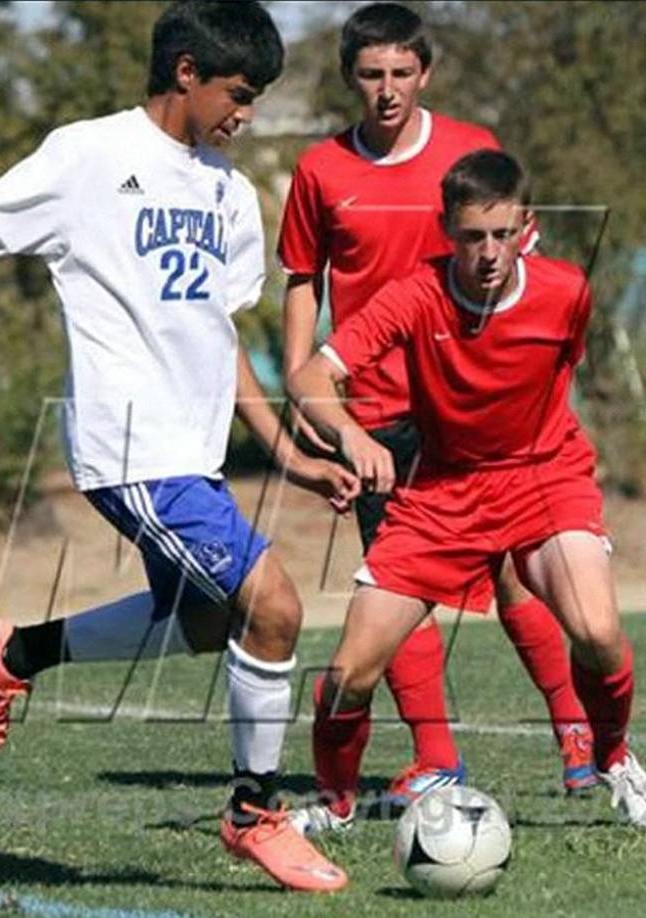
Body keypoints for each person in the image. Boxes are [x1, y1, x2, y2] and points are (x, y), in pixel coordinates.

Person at [0, 0, 360, 894]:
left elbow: (221, 337)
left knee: (201, 624)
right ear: (186, 71)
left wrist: (282, 451)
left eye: (259, 97)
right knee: (272, 606)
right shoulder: (90, 153)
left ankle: (16, 654)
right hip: (131, 446)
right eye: (239, 93)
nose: (247, 114)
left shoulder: (230, 191)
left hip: (192, 452)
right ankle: (253, 812)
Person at [277, 3, 592, 825]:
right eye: (371, 75)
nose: (386, 91)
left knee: (513, 571)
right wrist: (306, 384)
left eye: (401, 73)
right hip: (374, 406)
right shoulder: (319, 171)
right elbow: (303, 280)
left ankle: (576, 735)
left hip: (467, 403)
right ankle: (437, 758)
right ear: (351, 78)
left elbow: (516, 251)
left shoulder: (468, 149)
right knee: (400, 576)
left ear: (426, 72)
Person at [287, 149, 646, 841]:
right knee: (347, 678)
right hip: (442, 492)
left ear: (527, 227)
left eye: (503, 234)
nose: (489, 252)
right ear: (447, 229)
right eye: (473, 236)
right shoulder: (414, 295)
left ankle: (613, 758)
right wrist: (351, 435)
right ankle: (333, 806)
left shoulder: (567, 291)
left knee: (599, 633)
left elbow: (557, 379)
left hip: (544, 479)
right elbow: (310, 376)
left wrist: (564, 462)